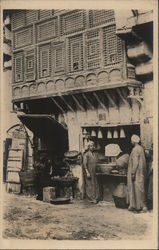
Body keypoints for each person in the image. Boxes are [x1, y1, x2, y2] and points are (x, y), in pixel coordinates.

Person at [127, 135, 148, 212]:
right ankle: (140, 206)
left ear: (134, 141)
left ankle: (139, 207)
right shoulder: (141, 148)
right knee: (141, 188)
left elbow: (135, 162)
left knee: (137, 189)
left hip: (137, 172)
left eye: (131, 140)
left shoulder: (135, 149)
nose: (130, 142)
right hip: (141, 172)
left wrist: (133, 172)